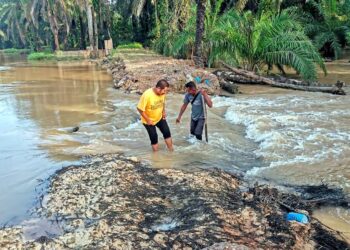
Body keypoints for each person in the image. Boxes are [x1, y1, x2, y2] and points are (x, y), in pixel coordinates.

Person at [137, 79, 174, 152]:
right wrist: (148, 120)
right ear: (158, 88)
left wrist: (163, 111)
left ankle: (171, 151)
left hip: (159, 117)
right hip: (149, 121)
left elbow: (163, 102)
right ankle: (156, 156)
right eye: (164, 91)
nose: (165, 92)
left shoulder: (162, 93)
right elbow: (140, 109)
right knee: (154, 138)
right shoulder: (147, 95)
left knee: (167, 132)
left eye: (166, 91)